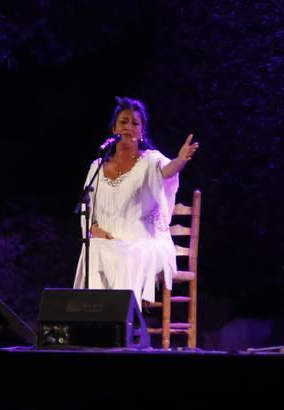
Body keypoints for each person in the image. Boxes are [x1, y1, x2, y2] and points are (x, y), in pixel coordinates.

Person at [74, 97, 199, 302]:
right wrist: (92, 227)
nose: (129, 126)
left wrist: (180, 160)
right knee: (92, 249)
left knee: (127, 254)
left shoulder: (150, 160)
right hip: (109, 240)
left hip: (146, 241)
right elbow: (88, 206)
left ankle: (122, 322)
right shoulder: (97, 166)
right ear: (114, 128)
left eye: (135, 123)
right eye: (124, 121)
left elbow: (166, 171)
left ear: (142, 131)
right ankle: (94, 320)